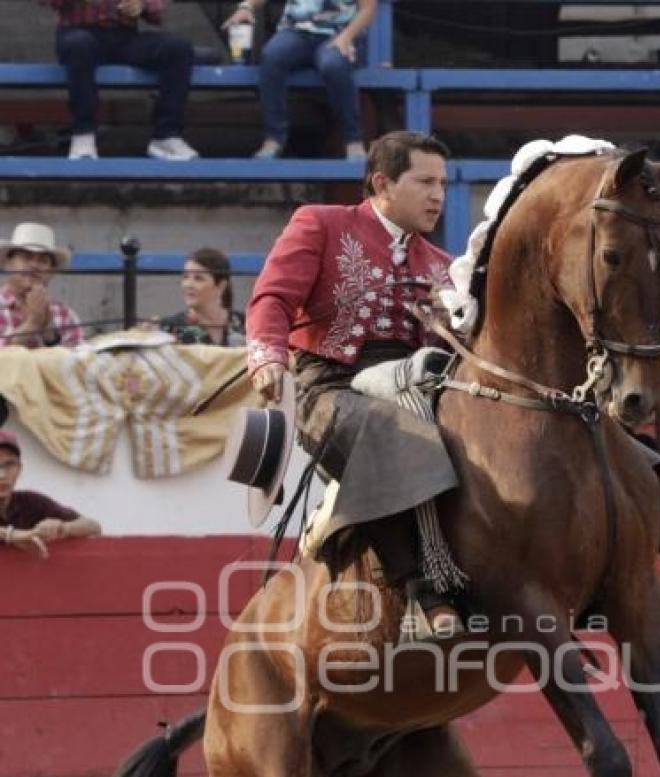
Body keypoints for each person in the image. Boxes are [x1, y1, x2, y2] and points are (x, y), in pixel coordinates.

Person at [246, 129, 464, 638]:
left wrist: (451, 326)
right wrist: (267, 357)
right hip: (332, 384)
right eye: (425, 182)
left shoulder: (445, 266)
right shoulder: (320, 223)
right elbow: (272, 300)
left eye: (444, 184)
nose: (438, 195)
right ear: (382, 183)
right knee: (385, 431)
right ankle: (421, 592)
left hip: (417, 383)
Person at [47, 0, 198, 162]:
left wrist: (141, 6)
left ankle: (166, 136)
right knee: (78, 45)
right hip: (78, 32)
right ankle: (83, 133)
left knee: (177, 48)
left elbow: (156, 9)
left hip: (125, 37)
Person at [224, 0, 376, 160]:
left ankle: (353, 140)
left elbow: (368, 10)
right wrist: (246, 6)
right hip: (295, 32)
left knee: (333, 65)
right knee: (272, 57)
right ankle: (273, 139)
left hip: (340, 32)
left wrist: (347, 36)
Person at [0, 429, 101, 558]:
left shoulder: (31, 501)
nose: (2, 475)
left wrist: (61, 528)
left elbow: (93, 526)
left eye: (9, 465)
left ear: (19, 469)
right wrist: (15, 535)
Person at [0, 222, 83, 349]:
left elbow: (78, 364)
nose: (34, 265)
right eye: (26, 257)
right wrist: (32, 324)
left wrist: (49, 333)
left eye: (43, 260)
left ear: (52, 272)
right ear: (7, 263)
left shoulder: (64, 314)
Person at [158, 248, 246, 346]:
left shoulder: (246, 324)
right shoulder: (169, 328)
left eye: (198, 278)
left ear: (221, 285)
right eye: (185, 277)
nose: (188, 285)